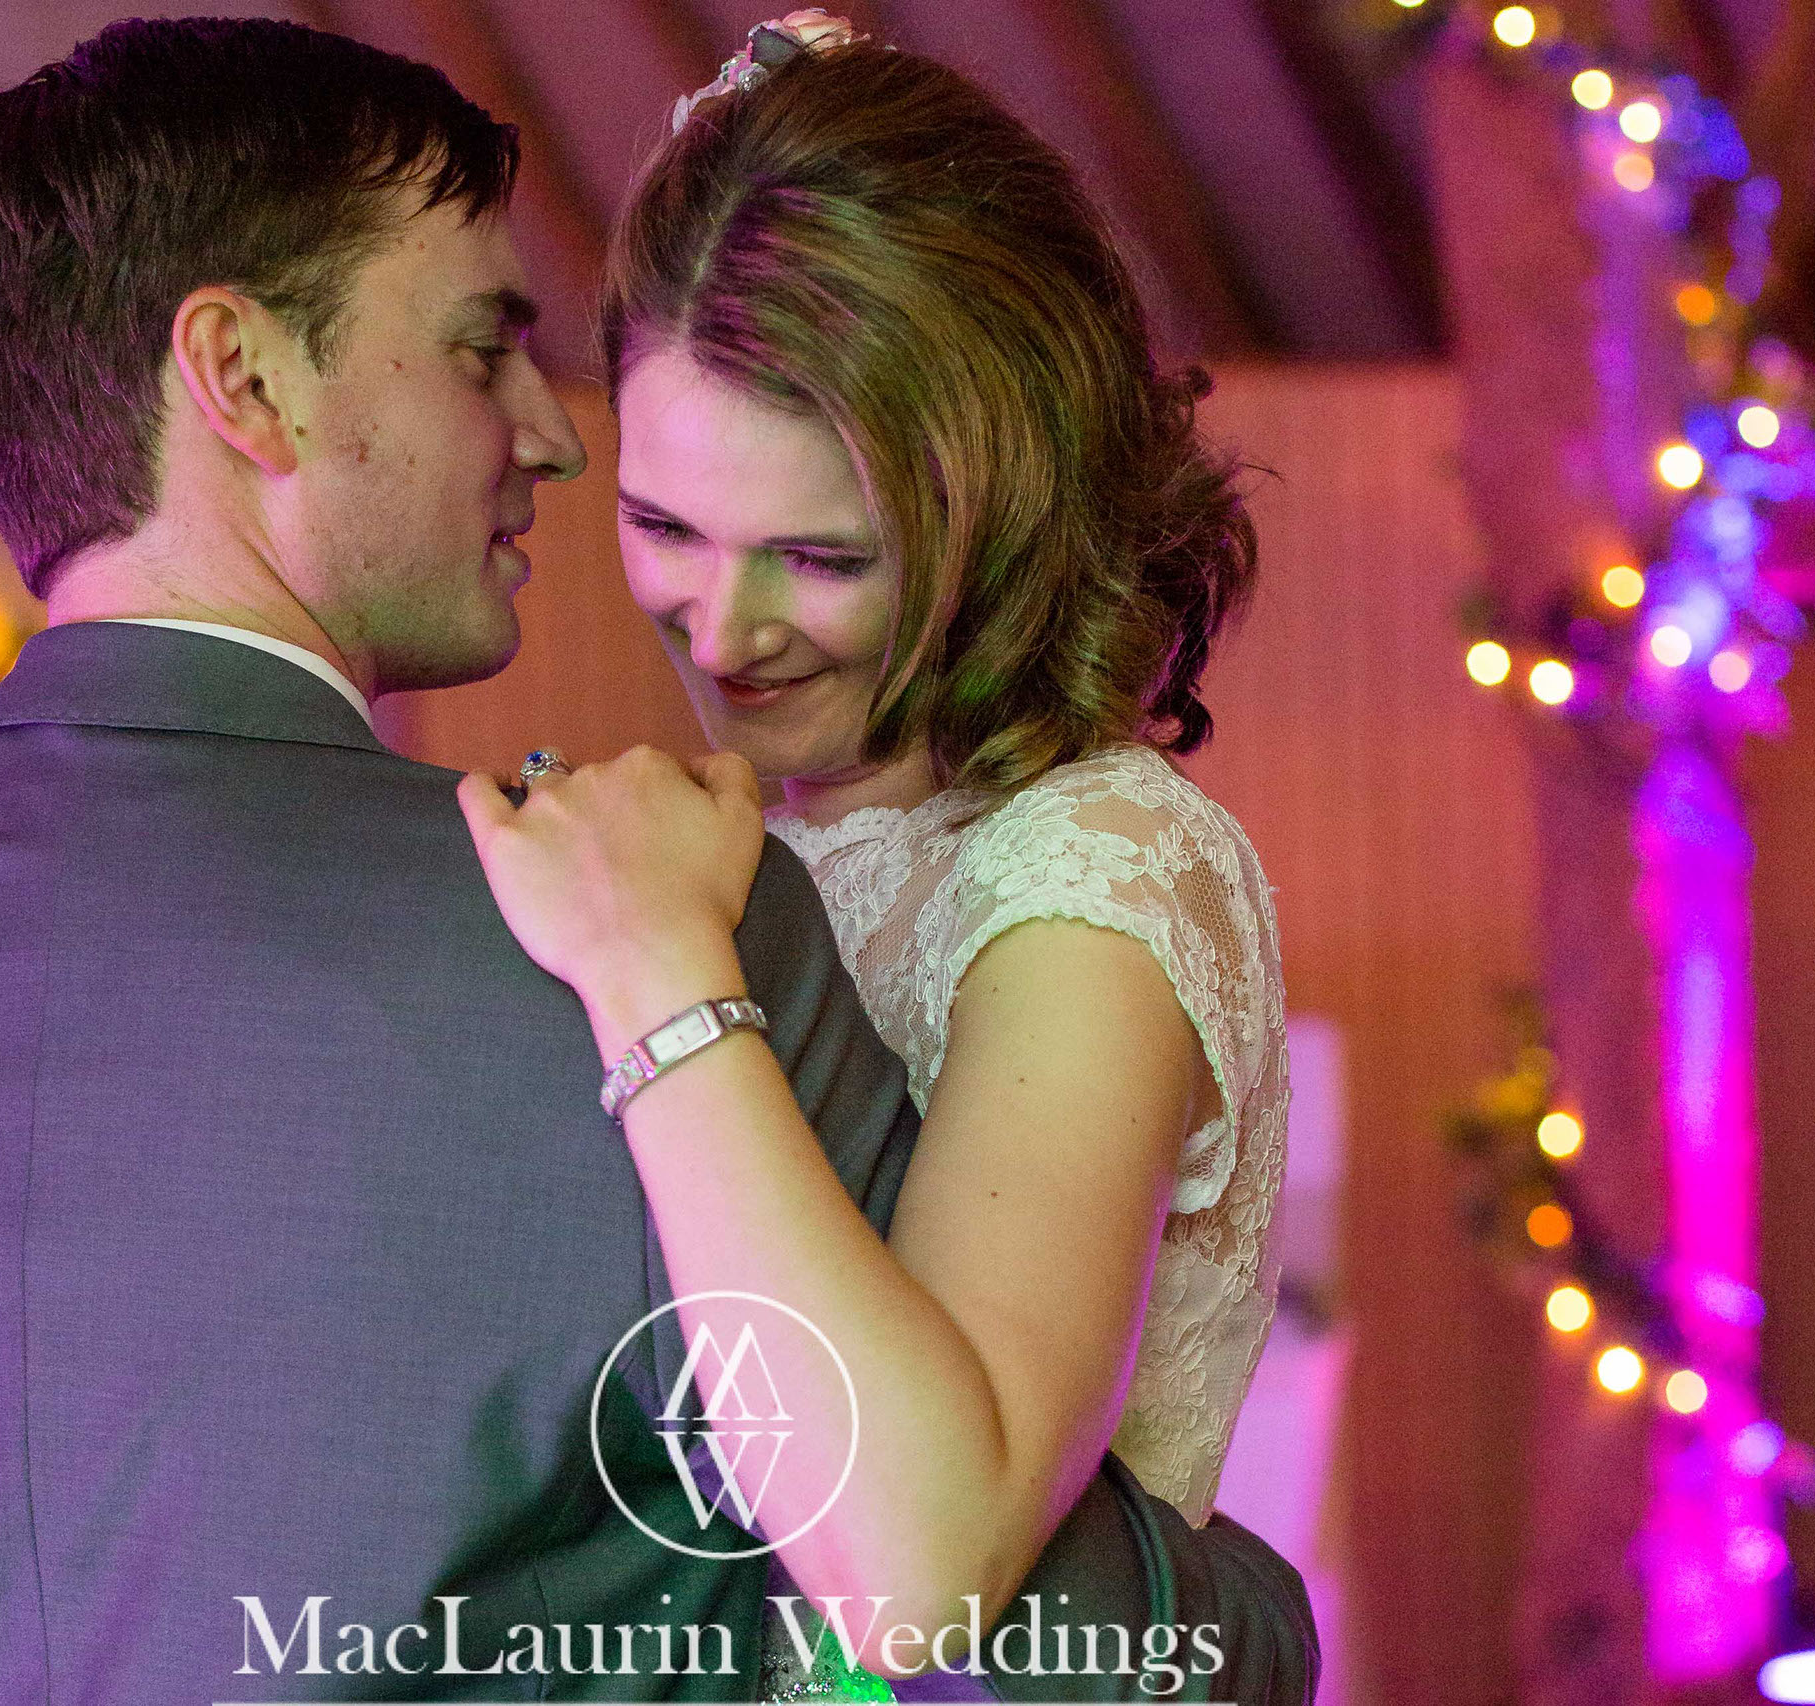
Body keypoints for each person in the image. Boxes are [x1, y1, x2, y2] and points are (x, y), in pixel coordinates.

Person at [0, 20, 932, 1702]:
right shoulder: (650, 924)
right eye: (481, 349)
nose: (552, 433)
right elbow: (986, 1604)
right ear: (240, 377)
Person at [459, 15, 1312, 1702]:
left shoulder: (1094, 868)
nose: (724, 628)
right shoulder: (777, 829)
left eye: (822, 556)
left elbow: (917, 1571)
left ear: (998, 511)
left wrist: (653, 968)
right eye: (664, 525)